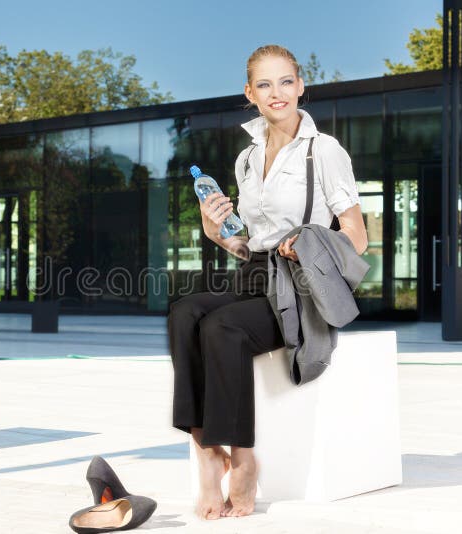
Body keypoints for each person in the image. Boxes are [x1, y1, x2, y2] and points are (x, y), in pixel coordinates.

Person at [167, 44, 369, 520]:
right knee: (183, 314)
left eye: (285, 82)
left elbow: (357, 238)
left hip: (299, 286)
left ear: (300, 86)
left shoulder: (324, 150)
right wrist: (213, 227)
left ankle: (242, 459)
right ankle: (206, 452)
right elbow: (245, 244)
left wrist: (308, 244)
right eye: (264, 84)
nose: (276, 93)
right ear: (249, 94)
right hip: (253, 272)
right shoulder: (246, 158)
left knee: (223, 328)